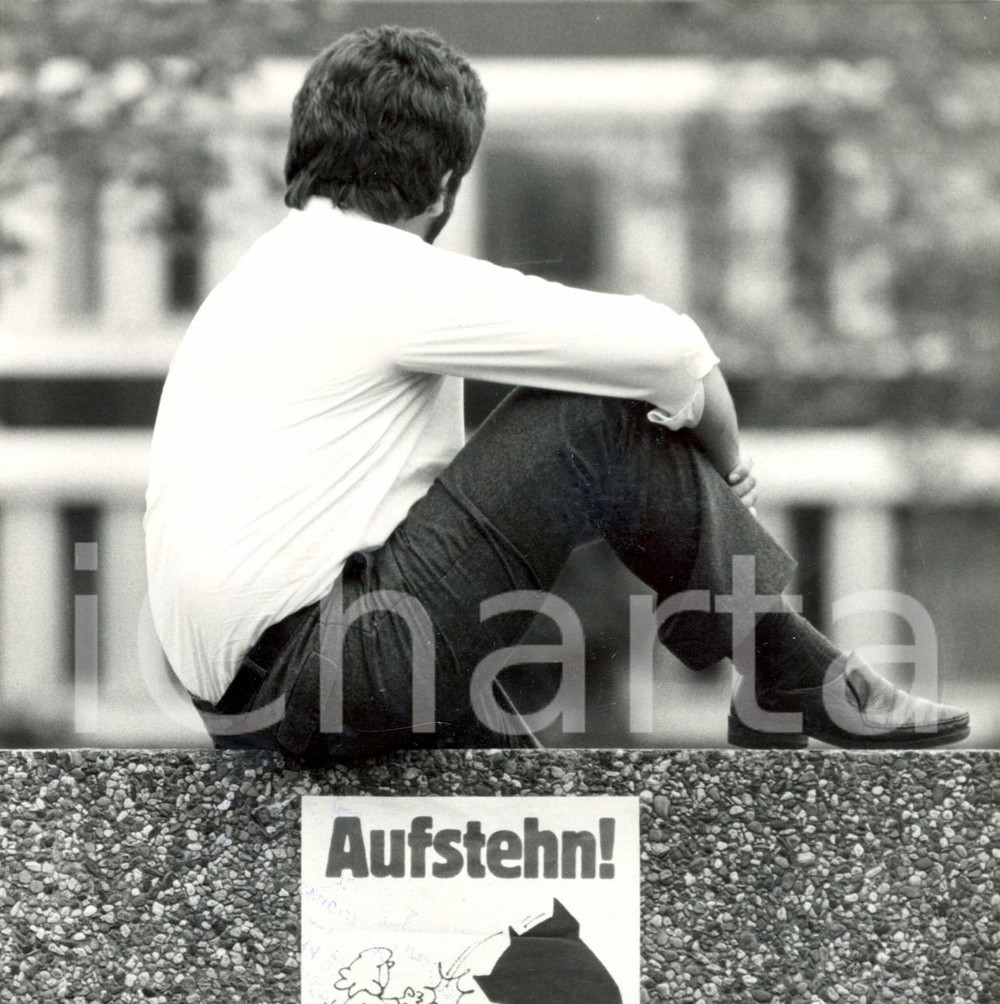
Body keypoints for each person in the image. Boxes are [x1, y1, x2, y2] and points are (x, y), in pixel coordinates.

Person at [144, 25, 969, 762]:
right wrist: (727, 469)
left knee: (552, 825)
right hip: (330, 666)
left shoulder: (257, 281)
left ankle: (770, 682)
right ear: (444, 185)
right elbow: (673, 353)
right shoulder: (377, 274)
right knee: (597, 414)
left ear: (303, 155)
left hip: (252, 700)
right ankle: (789, 666)